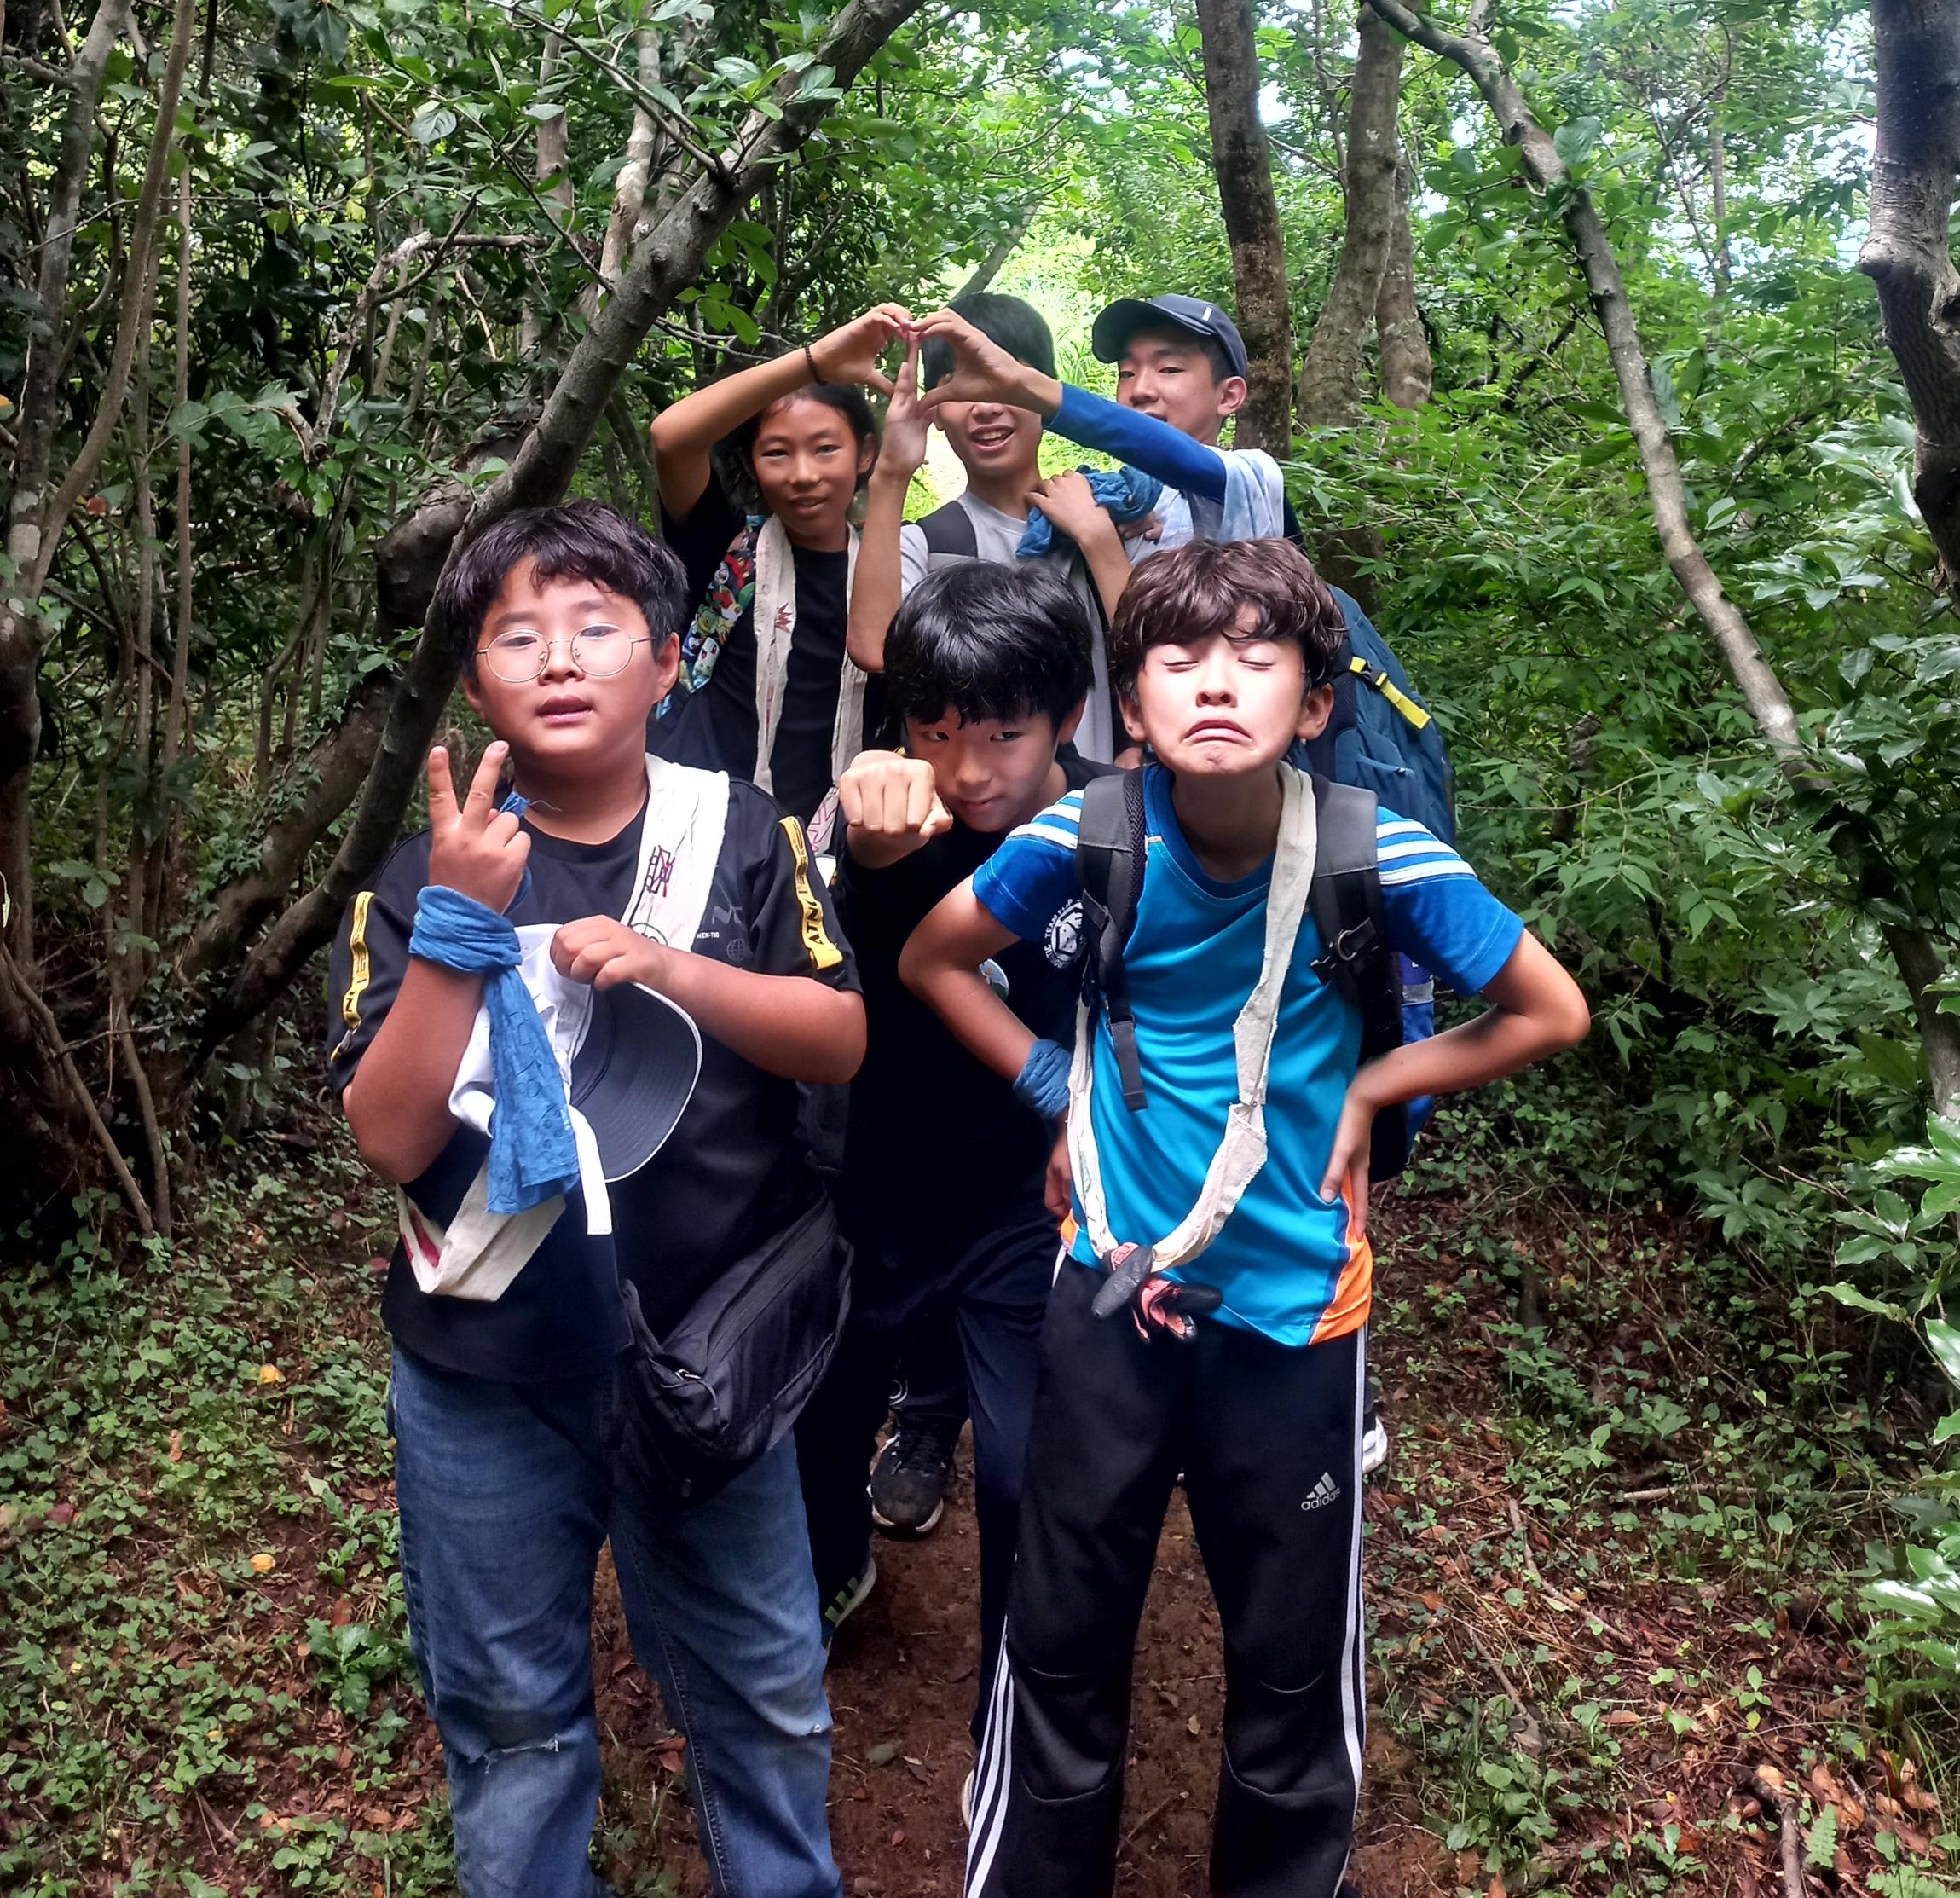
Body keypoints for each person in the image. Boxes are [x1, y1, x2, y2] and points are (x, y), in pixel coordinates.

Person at [902, 539, 1589, 1898]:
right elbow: (937, 959)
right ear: (1131, 705)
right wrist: (1054, 1093)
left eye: (1256, 658)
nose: (1216, 685)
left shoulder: (1375, 854)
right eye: (1178, 660)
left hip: (1294, 1310)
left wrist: (1381, 1081)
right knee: (1060, 1635)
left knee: (1287, 1663)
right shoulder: (1087, 837)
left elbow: (1548, 1009)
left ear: (1315, 704)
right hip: (1108, 1286)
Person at [327, 501, 864, 1898]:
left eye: (594, 626)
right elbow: (388, 1134)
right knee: (511, 1724)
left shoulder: (739, 830)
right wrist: (457, 922)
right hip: (484, 1366)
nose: (558, 658)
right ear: (474, 683)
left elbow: (836, 1035)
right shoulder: (422, 869)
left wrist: (674, 967)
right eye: (516, 635)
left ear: (666, 658)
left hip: (705, 1350)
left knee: (767, 1697)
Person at [794, 562, 1096, 1733]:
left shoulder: (1118, 829)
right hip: (872, 1191)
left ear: (1067, 718)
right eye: (935, 731)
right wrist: (868, 851)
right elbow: (846, 959)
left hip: (1029, 1206)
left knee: (1026, 1466)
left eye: (1004, 734)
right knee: (820, 1424)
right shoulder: (871, 818)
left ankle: (1016, 1707)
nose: (968, 770)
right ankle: (833, 1576)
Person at [647, 304, 911, 841]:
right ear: (750, 464)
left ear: (865, 455)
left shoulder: (897, 568)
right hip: (702, 828)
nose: (803, 474)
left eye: (826, 448)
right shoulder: (725, 550)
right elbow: (672, 438)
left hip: (843, 839)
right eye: (777, 453)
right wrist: (816, 362)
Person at [848, 291, 1134, 770]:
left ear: (1043, 393)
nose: (984, 406)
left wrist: (1099, 541)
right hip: (972, 799)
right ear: (936, 411)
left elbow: (1155, 656)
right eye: (958, 387)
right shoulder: (928, 545)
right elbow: (876, 648)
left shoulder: (1106, 516)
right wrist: (892, 474)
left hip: (1092, 801)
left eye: (1002, 379)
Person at [913, 291, 1292, 561]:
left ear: (1229, 396)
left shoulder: (1253, 480)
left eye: (1169, 369)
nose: (1139, 390)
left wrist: (1027, 387)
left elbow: (1173, 457)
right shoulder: (1121, 503)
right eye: (1127, 373)